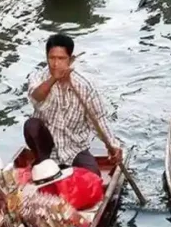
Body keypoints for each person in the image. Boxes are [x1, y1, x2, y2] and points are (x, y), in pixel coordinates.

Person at [25, 34, 122, 175]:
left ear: (70, 60)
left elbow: (99, 120)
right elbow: (36, 96)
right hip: (48, 147)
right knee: (31, 125)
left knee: (93, 176)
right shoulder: (38, 77)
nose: (56, 64)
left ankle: (61, 169)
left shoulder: (84, 86)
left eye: (61, 58)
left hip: (74, 147)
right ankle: (43, 162)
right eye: (52, 58)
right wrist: (54, 79)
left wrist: (113, 146)